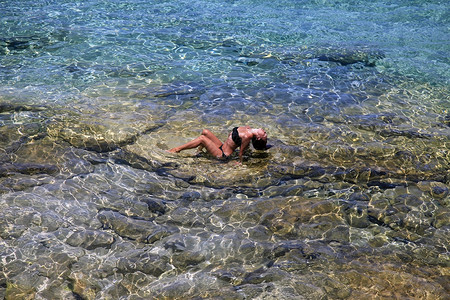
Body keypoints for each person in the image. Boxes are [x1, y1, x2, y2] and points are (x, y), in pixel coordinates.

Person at [168, 126, 268, 163]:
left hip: (222, 155)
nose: (265, 132)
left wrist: (240, 164)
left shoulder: (248, 136)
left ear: (258, 137)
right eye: (265, 134)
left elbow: (241, 153)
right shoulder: (247, 128)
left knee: (202, 139)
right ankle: (198, 152)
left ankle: (177, 149)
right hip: (221, 146)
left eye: (264, 135)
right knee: (205, 132)